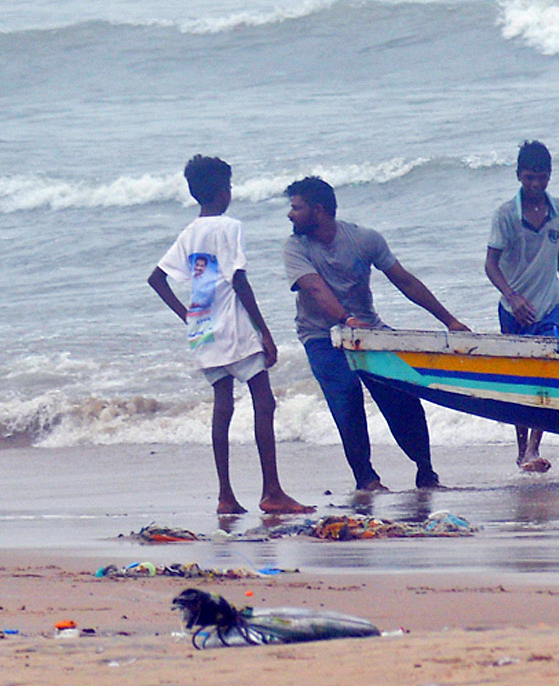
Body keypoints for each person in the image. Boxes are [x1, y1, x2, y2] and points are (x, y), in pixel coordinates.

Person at [148, 155, 314, 516]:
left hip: (204, 331)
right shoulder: (228, 226)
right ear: (224, 191)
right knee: (263, 401)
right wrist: (264, 331)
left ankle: (226, 495)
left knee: (222, 408)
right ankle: (272, 490)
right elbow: (238, 280)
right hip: (234, 328)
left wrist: (188, 317)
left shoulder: (189, 233)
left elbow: (157, 279)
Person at [283, 176, 468, 492]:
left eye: (296, 208)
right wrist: (345, 318)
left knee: (403, 392)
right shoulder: (295, 247)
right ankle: (366, 479)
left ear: (319, 210)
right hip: (321, 335)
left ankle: (426, 473)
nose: (290, 214)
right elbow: (315, 288)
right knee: (346, 394)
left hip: (369, 331)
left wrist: (450, 321)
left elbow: (405, 281)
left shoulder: (363, 239)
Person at [485, 140, 559, 473]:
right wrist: (511, 296)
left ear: (550, 176)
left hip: (549, 304)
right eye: (529, 178)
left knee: (546, 373)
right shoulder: (506, 215)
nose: (536, 185)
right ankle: (521, 447)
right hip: (513, 308)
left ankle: (534, 449)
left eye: (542, 178)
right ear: (518, 176)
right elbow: (490, 264)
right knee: (520, 380)